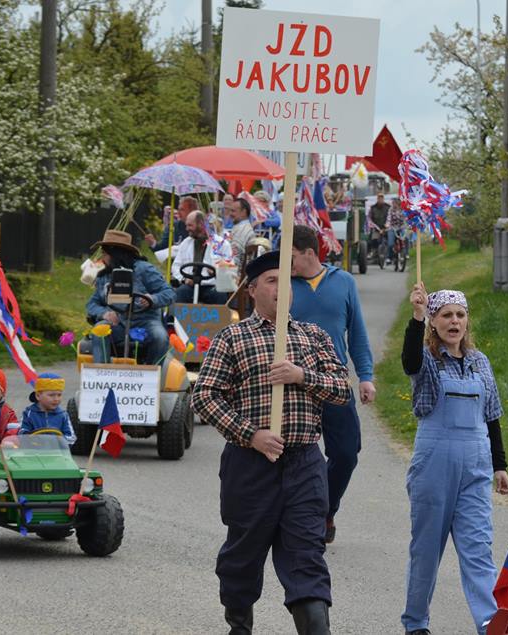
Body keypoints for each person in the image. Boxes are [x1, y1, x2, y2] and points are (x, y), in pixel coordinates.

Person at [192, 251, 352, 635]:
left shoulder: (313, 336)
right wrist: (252, 434)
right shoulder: (232, 337)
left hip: (304, 463)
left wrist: (301, 376)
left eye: (286, 281)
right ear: (252, 290)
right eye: (271, 281)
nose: (281, 288)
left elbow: (341, 389)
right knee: (242, 558)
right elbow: (205, 397)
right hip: (249, 465)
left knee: (306, 558)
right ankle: (239, 626)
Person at [401, 282, 508, 635]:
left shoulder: (480, 362)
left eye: (460, 315)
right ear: (434, 322)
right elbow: (409, 361)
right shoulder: (427, 360)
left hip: (475, 467)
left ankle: (490, 624)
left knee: (478, 549)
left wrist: (500, 465)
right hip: (434, 464)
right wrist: (416, 316)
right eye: (446, 315)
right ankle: (416, 623)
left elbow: (492, 416)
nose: (454, 321)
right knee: (426, 551)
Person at [290, 226, 375, 544]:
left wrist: (365, 376)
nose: (287, 263)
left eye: (291, 256)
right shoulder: (282, 284)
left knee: (347, 452)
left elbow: (358, 332)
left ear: (309, 253)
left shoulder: (344, 282)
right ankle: (300, 515)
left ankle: (324, 510)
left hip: (335, 381)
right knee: (293, 455)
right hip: (295, 384)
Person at [86, 230, 174, 365]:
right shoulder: (104, 275)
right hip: (119, 323)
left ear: (116, 254)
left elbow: (169, 293)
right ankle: (102, 373)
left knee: (160, 337)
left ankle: (152, 374)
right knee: (99, 332)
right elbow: (92, 304)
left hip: (147, 321)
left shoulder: (144, 269)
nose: (102, 258)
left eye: (104, 253)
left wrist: (152, 299)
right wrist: (105, 313)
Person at [171, 210, 233, 304]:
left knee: (219, 295)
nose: (187, 229)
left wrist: (218, 272)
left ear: (200, 224)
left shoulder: (222, 244)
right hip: (190, 286)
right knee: (180, 293)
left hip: (211, 286)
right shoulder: (186, 243)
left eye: (190, 225)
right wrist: (184, 279)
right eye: (186, 225)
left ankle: (218, 314)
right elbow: (176, 266)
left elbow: (230, 273)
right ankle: (176, 314)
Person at [17, 373, 75, 445]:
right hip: (34, 449)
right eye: (51, 395)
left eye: (59, 395)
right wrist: (33, 439)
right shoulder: (29, 414)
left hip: (56, 450)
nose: (56, 399)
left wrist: (58, 441)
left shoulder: (63, 415)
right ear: (38, 396)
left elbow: (71, 438)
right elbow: (21, 434)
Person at [227, 197, 257, 273]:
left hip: (235, 274)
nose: (230, 214)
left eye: (233, 211)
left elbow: (235, 257)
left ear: (243, 212)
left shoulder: (242, 230)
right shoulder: (242, 227)